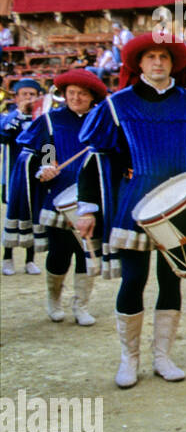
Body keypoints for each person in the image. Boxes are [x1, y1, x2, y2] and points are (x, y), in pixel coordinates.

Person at [74, 34, 186, 389]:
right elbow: (98, 160)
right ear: (139, 64)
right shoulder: (118, 105)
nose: (158, 62)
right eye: (150, 57)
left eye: (164, 56)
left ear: (173, 63)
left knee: (171, 279)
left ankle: (163, 356)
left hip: (181, 204)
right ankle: (128, 359)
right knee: (133, 280)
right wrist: (88, 207)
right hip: (135, 203)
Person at [13, 70, 106, 323]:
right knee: (59, 253)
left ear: (92, 97)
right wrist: (46, 167)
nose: (76, 98)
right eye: (71, 93)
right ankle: (53, 300)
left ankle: (81, 306)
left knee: (87, 253)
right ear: (64, 95)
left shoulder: (100, 123)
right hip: (58, 199)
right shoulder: (51, 121)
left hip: (91, 200)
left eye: (82, 94)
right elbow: (46, 150)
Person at [1, 79, 43, 275]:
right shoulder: (9, 118)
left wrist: (50, 164)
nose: (28, 98)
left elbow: (49, 145)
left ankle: (30, 259)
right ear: (16, 98)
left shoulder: (42, 119)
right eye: (24, 94)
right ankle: (7, 257)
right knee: (14, 214)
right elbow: (5, 135)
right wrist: (20, 114)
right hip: (15, 176)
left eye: (32, 94)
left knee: (33, 216)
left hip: (36, 175)